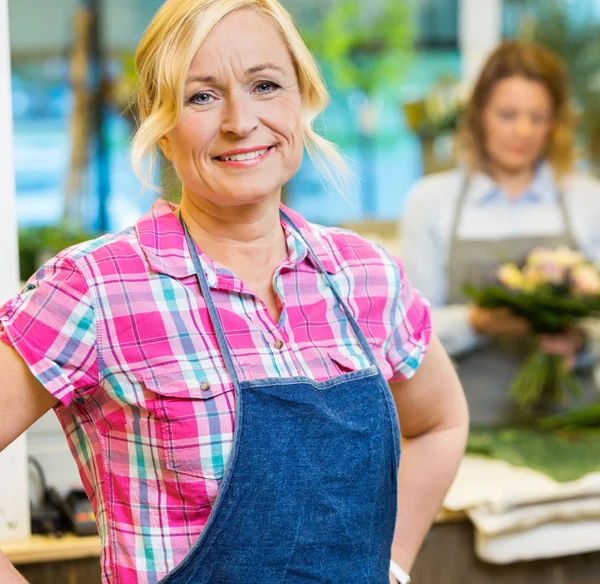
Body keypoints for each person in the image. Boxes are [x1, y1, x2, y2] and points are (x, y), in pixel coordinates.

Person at [0, 1, 468, 583]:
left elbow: (440, 422)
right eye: (201, 96)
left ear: (302, 101)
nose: (239, 121)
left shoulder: (364, 274)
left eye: (266, 84)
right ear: (162, 126)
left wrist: (390, 567)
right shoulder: (95, 287)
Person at [401, 40, 600, 426]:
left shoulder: (588, 199)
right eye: (507, 114)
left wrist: (581, 341)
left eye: (538, 117)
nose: (523, 130)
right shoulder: (431, 202)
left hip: (577, 428)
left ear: (555, 123)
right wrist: (477, 323)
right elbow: (409, 334)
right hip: (468, 429)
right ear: (478, 116)